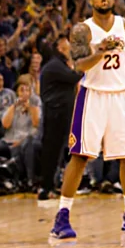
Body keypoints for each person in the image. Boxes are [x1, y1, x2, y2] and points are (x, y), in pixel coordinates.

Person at [50, 0, 125, 240]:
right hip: (93, 96)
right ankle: (61, 218)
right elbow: (79, 65)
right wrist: (99, 51)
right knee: (79, 157)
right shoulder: (82, 30)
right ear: (91, 1)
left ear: (113, 0)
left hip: (122, 96)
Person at [38, 34, 82, 200]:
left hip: (60, 114)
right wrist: (85, 65)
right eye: (67, 44)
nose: (70, 46)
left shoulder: (60, 64)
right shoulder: (55, 65)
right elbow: (74, 77)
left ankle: (51, 185)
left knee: (57, 152)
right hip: (55, 114)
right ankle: (45, 187)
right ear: (60, 48)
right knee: (51, 151)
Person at [0, 80, 40, 189]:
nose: (25, 93)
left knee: (24, 145)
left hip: (24, 142)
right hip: (8, 140)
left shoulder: (35, 108)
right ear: (17, 93)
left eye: (27, 90)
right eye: (22, 90)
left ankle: (29, 180)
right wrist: (14, 106)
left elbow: (36, 124)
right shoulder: (11, 108)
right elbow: (5, 124)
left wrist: (30, 108)